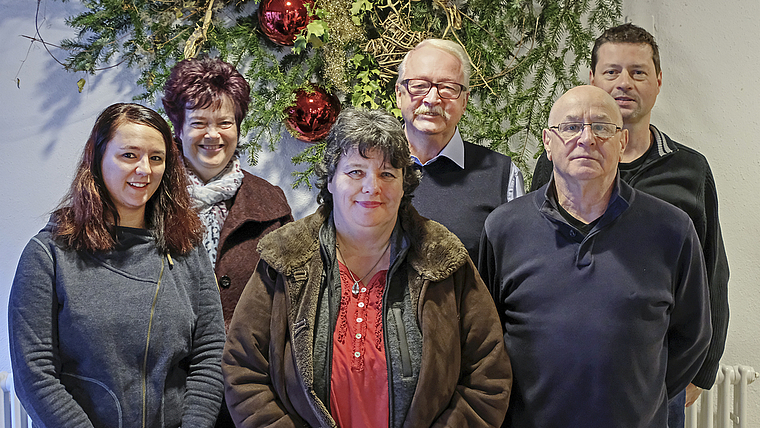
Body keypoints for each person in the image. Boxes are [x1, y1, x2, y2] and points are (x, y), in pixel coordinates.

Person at [222, 108, 512, 427]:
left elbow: (488, 376)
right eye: (356, 172)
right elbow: (243, 369)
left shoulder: (442, 257)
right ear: (331, 179)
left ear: (405, 184)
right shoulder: (285, 256)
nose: (372, 187)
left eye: (387, 173)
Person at [530, 24, 729, 426]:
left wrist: (701, 373)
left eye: (638, 72)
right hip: (560, 381)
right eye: (611, 71)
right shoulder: (555, 165)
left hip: (655, 378)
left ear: (658, 82)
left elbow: (711, 272)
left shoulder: (689, 170)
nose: (624, 82)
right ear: (592, 80)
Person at [479, 86, 711, 427]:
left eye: (602, 127)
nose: (586, 138)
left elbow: (693, 336)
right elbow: (485, 336)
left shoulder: (671, 229)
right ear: (547, 141)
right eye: (571, 127)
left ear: (621, 142)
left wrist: (641, 396)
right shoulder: (504, 229)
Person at [8, 103, 225, 427]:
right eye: (129, 155)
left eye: (156, 158)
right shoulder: (48, 255)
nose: (145, 170)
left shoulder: (186, 248)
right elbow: (35, 374)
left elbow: (209, 356)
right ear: (97, 161)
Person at [162, 57, 293, 330]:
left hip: (247, 367)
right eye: (199, 123)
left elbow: (290, 299)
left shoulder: (270, 202)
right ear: (178, 129)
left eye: (224, 122)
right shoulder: (151, 196)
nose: (213, 135)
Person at [395, 39, 524, 261]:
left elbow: (517, 268)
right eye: (419, 85)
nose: (432, 99)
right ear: (399, 94)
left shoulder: (502, 176)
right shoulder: (371, 170)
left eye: (447, 88)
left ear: (464, 101)